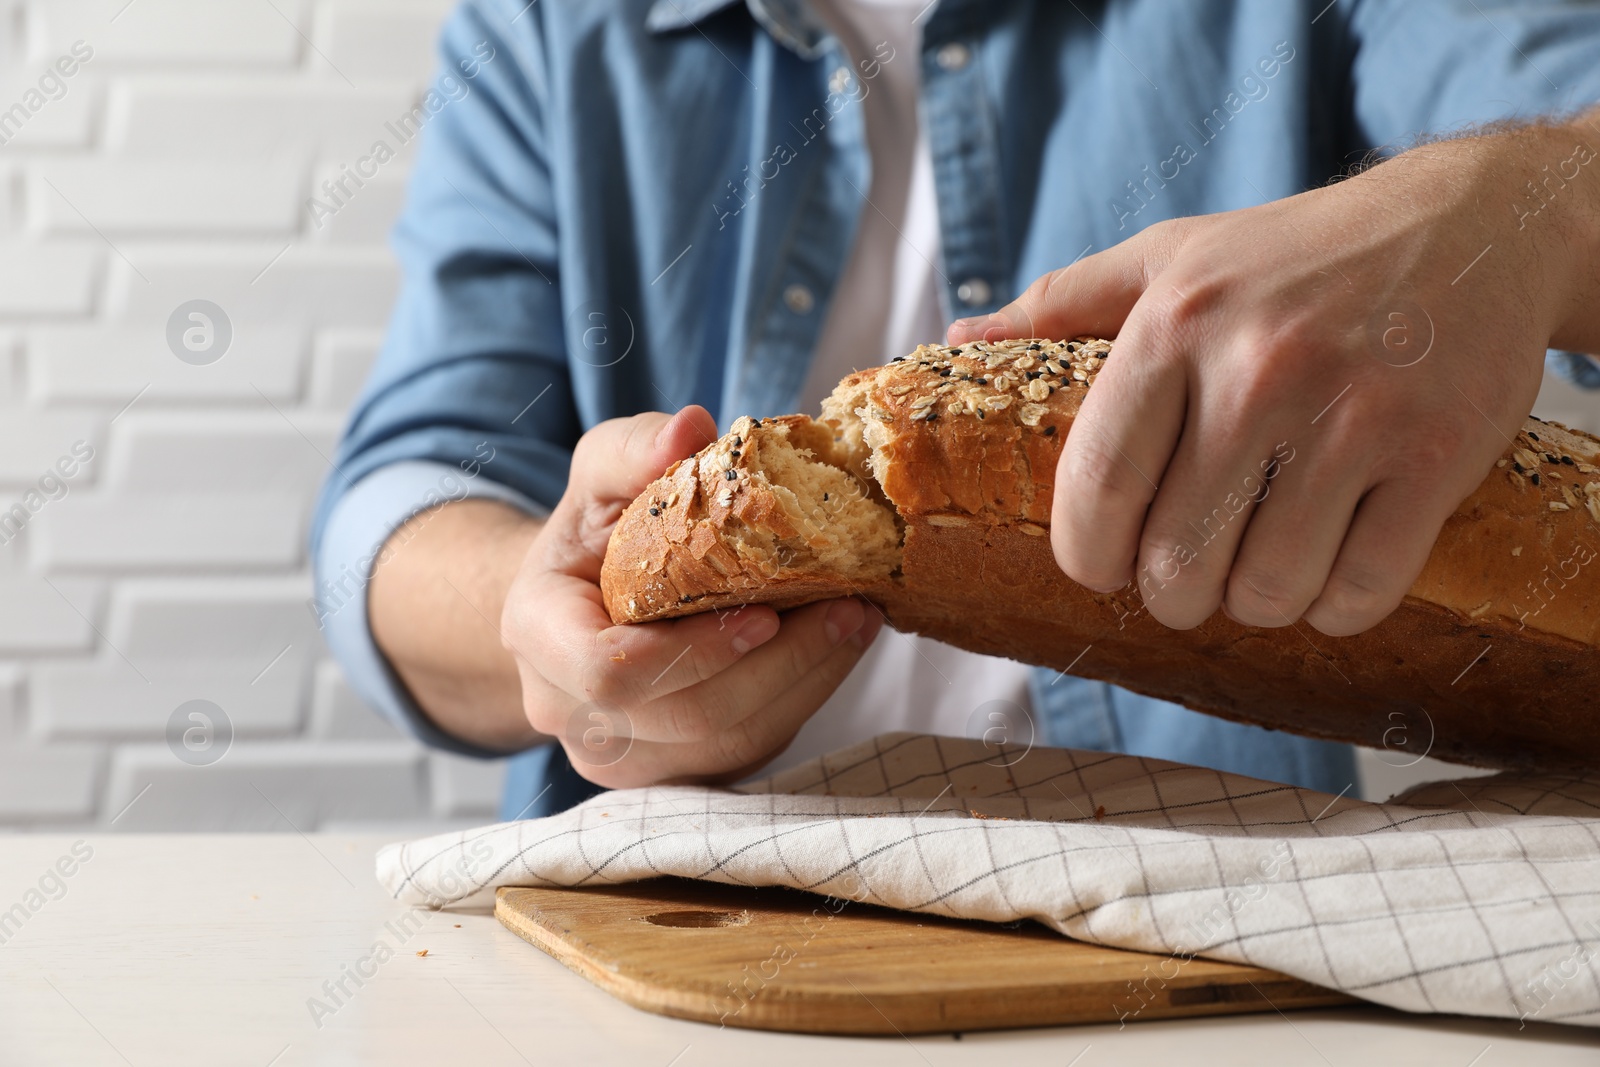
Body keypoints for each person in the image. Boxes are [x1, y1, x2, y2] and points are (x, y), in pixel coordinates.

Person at [312, 0, 1600, 820]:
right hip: (679, 931)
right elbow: (399, 495)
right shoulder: (552, 24)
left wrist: (1523, 207)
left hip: (1219, 943)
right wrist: (546, 618)